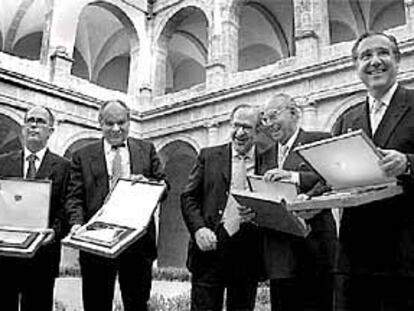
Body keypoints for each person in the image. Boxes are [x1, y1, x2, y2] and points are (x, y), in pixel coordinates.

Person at [332, 32, 414, 310]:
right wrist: (304, 200)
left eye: (383, 53)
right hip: (355, 256)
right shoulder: (347, 118)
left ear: (397, 60)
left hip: (406, 255)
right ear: (356, 66)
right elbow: (330, 173)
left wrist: (409, 162)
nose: (374, 61)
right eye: (365, 56)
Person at [65, 99, 167, 311]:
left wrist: (149, 185)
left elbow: (165, 187)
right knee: (96, 304)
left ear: (129, 122)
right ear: (100, 123)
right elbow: (74, 197)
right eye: (109, 123)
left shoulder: (146, 150)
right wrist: (76, 224)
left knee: (137, 304)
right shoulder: (82, 156)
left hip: (137, 244)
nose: (116, 129)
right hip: (97, 244)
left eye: (121, 122)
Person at [181, 104, 274, 311]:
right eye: (236, 125)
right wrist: (198, 229)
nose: (240, 133)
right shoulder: (208, 155)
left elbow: (275, 203)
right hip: (209, 249)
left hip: (247, 253)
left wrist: (259, 214)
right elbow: (188, 197)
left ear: (258, 131)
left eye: (247, 127)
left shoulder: (269, 160)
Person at [259, 93, 337, 311]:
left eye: (274, 115)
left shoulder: (318, 139)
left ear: (294, 113)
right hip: (279, 253)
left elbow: (332, 177)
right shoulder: (265, 154)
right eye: (265, 119)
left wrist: (293, 177)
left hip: (316, 247)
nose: (269, 124)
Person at [0, 106, 71, 311]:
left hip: (42, 258)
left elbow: (67, 208)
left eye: (40, 121)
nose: (33, 125)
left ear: (50, 130)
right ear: (23, 128)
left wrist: (55, 232)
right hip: (5, 257)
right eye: (29, 120)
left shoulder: (64, 167)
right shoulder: (3, 163)